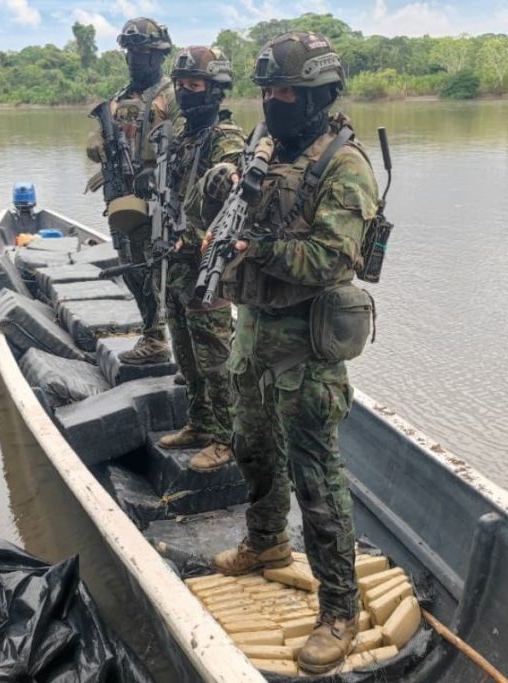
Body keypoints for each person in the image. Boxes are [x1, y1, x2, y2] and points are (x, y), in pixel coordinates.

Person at [204, 32, 380, 673]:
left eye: (288, 92)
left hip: (305, 345)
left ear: (321, 95)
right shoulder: (261, 145)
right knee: (253, 446)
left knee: (317, 477)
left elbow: (332, 258)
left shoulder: (345, 163)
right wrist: (222, 189)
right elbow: (215, 222)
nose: (275, 102)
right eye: (268, 91)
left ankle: (339, 609)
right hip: (252, 330)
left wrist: (257, 244)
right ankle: (267, 542)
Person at [154, 46, 246, 471]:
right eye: (181, 85)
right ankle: (200, 423)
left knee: (216, 361)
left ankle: (227, 440)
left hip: (207, 267)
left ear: (215, 90)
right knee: (186, 355)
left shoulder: (226, 140)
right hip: (175, 264)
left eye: (195, 85)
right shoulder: (181, 137)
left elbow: (233, 203)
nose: (187, 93)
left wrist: (192, 239)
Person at [86, 17, 178, 365]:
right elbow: (100, 136)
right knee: (131, 266)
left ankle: (170, 339)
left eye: (142, 51)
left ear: (158, 55)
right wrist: (95, 140)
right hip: (120, 196)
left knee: (163, 270)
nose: (135, 58)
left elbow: (189, 142)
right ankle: (153, 335)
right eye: (130, 51)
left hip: (157, 198)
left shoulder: (172, 95)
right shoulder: (118, 99)